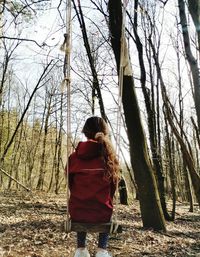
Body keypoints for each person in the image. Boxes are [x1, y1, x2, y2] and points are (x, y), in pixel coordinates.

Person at [66, 116, 120, 257]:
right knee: (103, 205)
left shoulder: (73, 157)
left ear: (85, 132)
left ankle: (81, 249)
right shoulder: (109, 157)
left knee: (81, 202)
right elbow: (113, 187)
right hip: (102, 213)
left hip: (78, 211)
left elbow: (69, 182)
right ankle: (102, 250)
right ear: (104, 132)